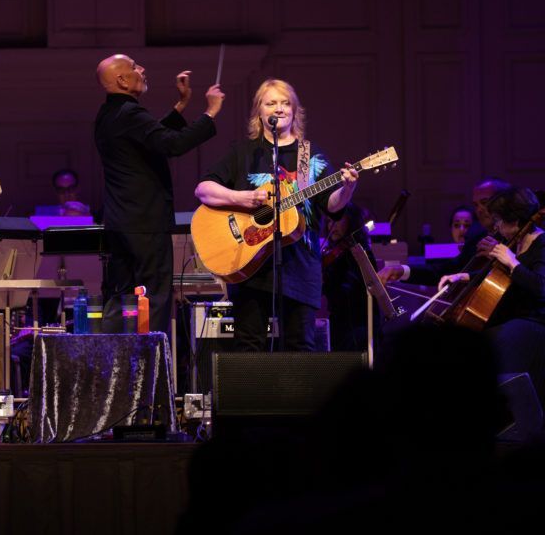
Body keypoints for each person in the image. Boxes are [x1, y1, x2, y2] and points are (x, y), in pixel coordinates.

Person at [195, 78, 358, 351]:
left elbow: (332, 205)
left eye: (285, 103)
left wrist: (349, 187)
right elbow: (203, 190)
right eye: (271, 103)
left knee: (300, 347)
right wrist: (244, 198)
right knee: (248, 345)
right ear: (259, 111)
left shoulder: (311, 156)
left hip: (301, 268)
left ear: (295, 111)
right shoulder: (243, 152)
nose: (279, 108)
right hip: (251, 266)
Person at [94, 54, 225, 332]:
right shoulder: (130, 113)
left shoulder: (108, 114)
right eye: (134, 67)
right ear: (121, 79)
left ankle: (116, 364)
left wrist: (182, 104)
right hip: (145, 223)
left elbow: (150, 137)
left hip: (121, 223)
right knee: (153, 297)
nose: (142, 69)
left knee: (123, 297)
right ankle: (150, 367)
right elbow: (172, 144)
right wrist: (210, 112)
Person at [437, 186, 545, 404]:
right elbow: (500, 276)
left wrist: (513, 262)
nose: (496, 226)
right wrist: (463, 276)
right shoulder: (515, 241)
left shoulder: (541, 243)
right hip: (510, 316)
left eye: (499, 221)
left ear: (515, 220)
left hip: (533, 321)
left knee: (490, 345)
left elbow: (541, 286)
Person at [379, 178, 507, 287]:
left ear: (502, 202)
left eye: (484, 203)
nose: (479, 209)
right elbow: (446, 269)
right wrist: (402, 270)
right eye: (476, 205)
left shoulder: (515, 236)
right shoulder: (477, 239)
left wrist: (502, 259)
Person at [321, 202, 381, 352]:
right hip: (339, 321)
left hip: (359, 323)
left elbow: (355, 288)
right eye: (328, 221)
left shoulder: (361, 251)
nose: (331, 226)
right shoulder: (331, 253)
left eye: (337, 220)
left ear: (351, 221)